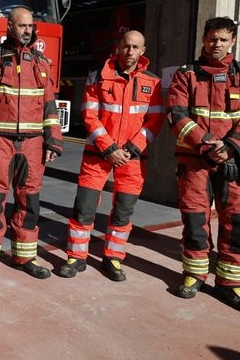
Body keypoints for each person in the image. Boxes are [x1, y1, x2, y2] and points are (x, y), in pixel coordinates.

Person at [167, 16, 240, 312]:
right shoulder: (186, 74)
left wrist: (231, 147)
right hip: (196, 162)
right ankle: (194, 275)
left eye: (222, 39)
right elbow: (176, 115)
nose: (216, 44)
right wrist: (208, 145)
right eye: (212, 39)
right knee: (195, 221)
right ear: (204, 39)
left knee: (237, 223)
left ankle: (231, 285)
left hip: (235, 162)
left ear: (232, 41)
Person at [58, 31, 163, 281]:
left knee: (123, 211)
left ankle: (113, 258)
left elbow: (155, 120)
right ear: (118, 47)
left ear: (143, 50)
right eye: (126, 46)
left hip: (132, 158)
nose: (129, 51)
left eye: (135, 47)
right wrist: (109, 149)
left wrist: (131, 149)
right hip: (99, 155)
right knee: (84, 207)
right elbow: (89, 116)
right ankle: (76, 257)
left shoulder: (153, 82)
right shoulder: (98, 75)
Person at [0, 6, 63, 282]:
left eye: (30, 26)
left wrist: (53, 141)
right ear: (8, 27)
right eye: (22, 26)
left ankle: (25, 256)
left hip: (33, 144)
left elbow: (49, 107)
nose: (27, 30)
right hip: (0, 142)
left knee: (30, 201)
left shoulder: (41, 63)